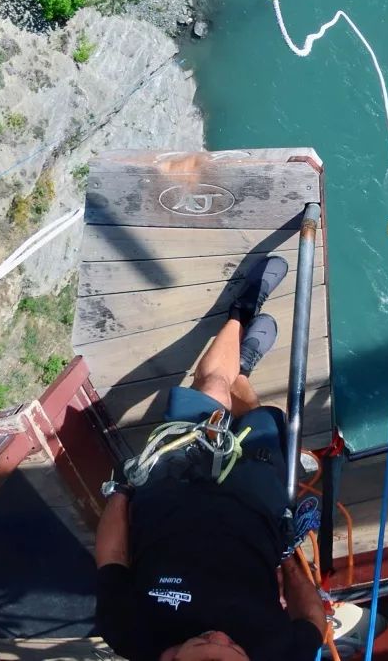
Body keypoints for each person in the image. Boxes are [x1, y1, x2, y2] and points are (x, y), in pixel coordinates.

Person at [94, 259, 327, 661]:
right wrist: (290, 562)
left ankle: (242, 311)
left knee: (211, 387)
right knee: (262, 417)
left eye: (204, 644)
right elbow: (312, 625)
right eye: (235, 648)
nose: (220, 635)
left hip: (173, 490)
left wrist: (121, 493)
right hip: (256, 512)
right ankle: (245, 370)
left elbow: (112, 559)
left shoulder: (130, 631)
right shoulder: (280, 653)